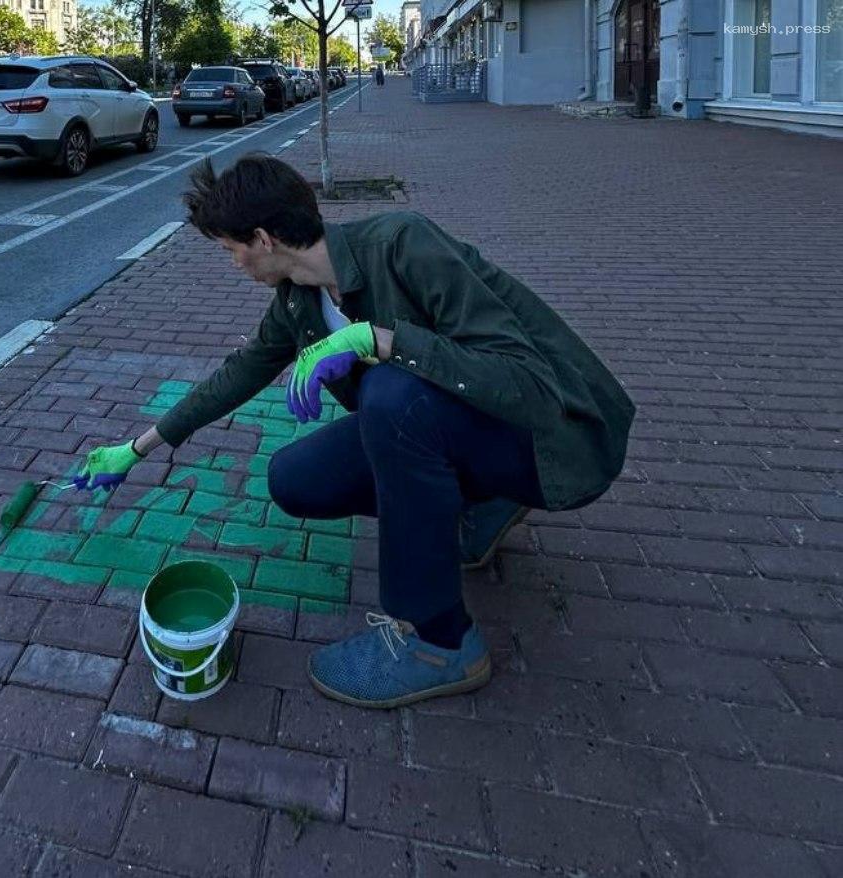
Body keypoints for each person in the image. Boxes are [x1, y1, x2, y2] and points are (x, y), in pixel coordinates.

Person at [72, 155, 634, 708]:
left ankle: (440, 642)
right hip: (469, 434)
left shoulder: (402, 244)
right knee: (294, 478)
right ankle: (478, 508)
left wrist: (380, 340)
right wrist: (135, 448)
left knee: (392, 397)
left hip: (553, 441)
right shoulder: (299, 299)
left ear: (264, 239)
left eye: (231, 249)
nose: (233, 263)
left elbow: (528, 383)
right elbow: (236, 374)